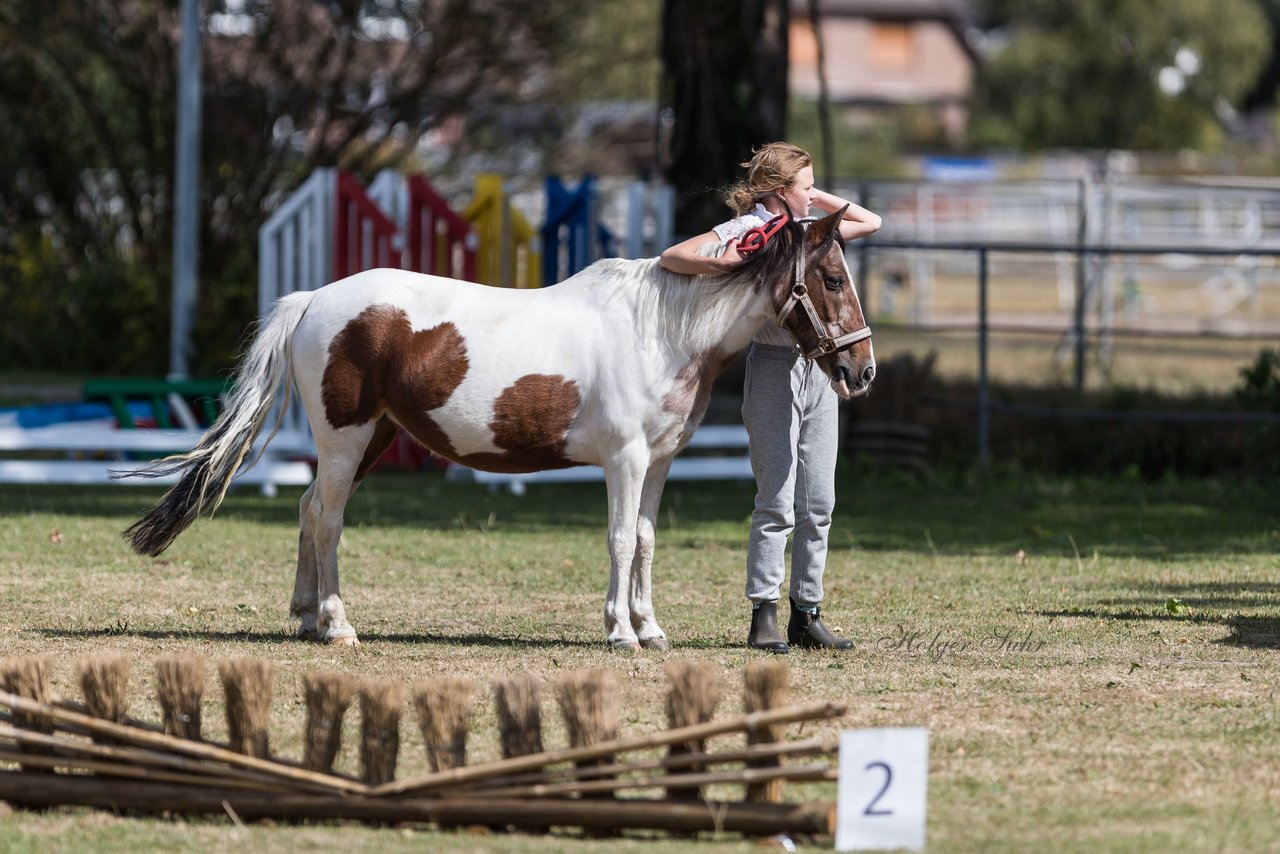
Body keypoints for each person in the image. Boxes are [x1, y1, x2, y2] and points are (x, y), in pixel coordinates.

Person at [659, 142, 882, 653]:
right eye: (805, 186)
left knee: (819, 502)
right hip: (775, 368)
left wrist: (811, 196)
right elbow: (676, 256)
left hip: (819, 373)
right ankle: (764, 613)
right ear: (781, 191)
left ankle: (808, 613)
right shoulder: (750, 233)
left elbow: (870, 222)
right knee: (776, 500)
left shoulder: (811, 234)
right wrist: (733, 262)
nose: (813, 195)